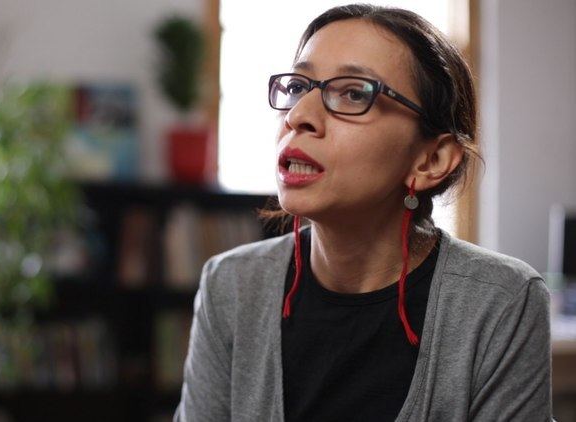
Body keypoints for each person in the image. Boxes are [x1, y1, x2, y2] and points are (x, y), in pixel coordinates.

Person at [174, 4, 552, 422]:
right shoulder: (231, 285)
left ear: (432, 159)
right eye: (299, 87)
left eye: (353, 93)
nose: (298, 117)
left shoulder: (501, 301)